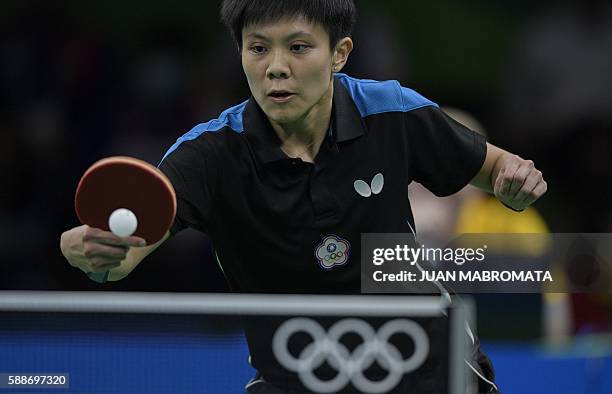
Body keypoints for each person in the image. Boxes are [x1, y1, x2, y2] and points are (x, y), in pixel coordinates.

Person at [60, 0, 547, 392]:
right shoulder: (208, 155)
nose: (276, 69)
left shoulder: (391, 111)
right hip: (296, 371)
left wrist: (513, 181)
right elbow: (120, 258)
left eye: (298, 47)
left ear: (340, 53)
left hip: (424, 361)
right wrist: (91, 252)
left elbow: (494, 167)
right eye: (257, 49)